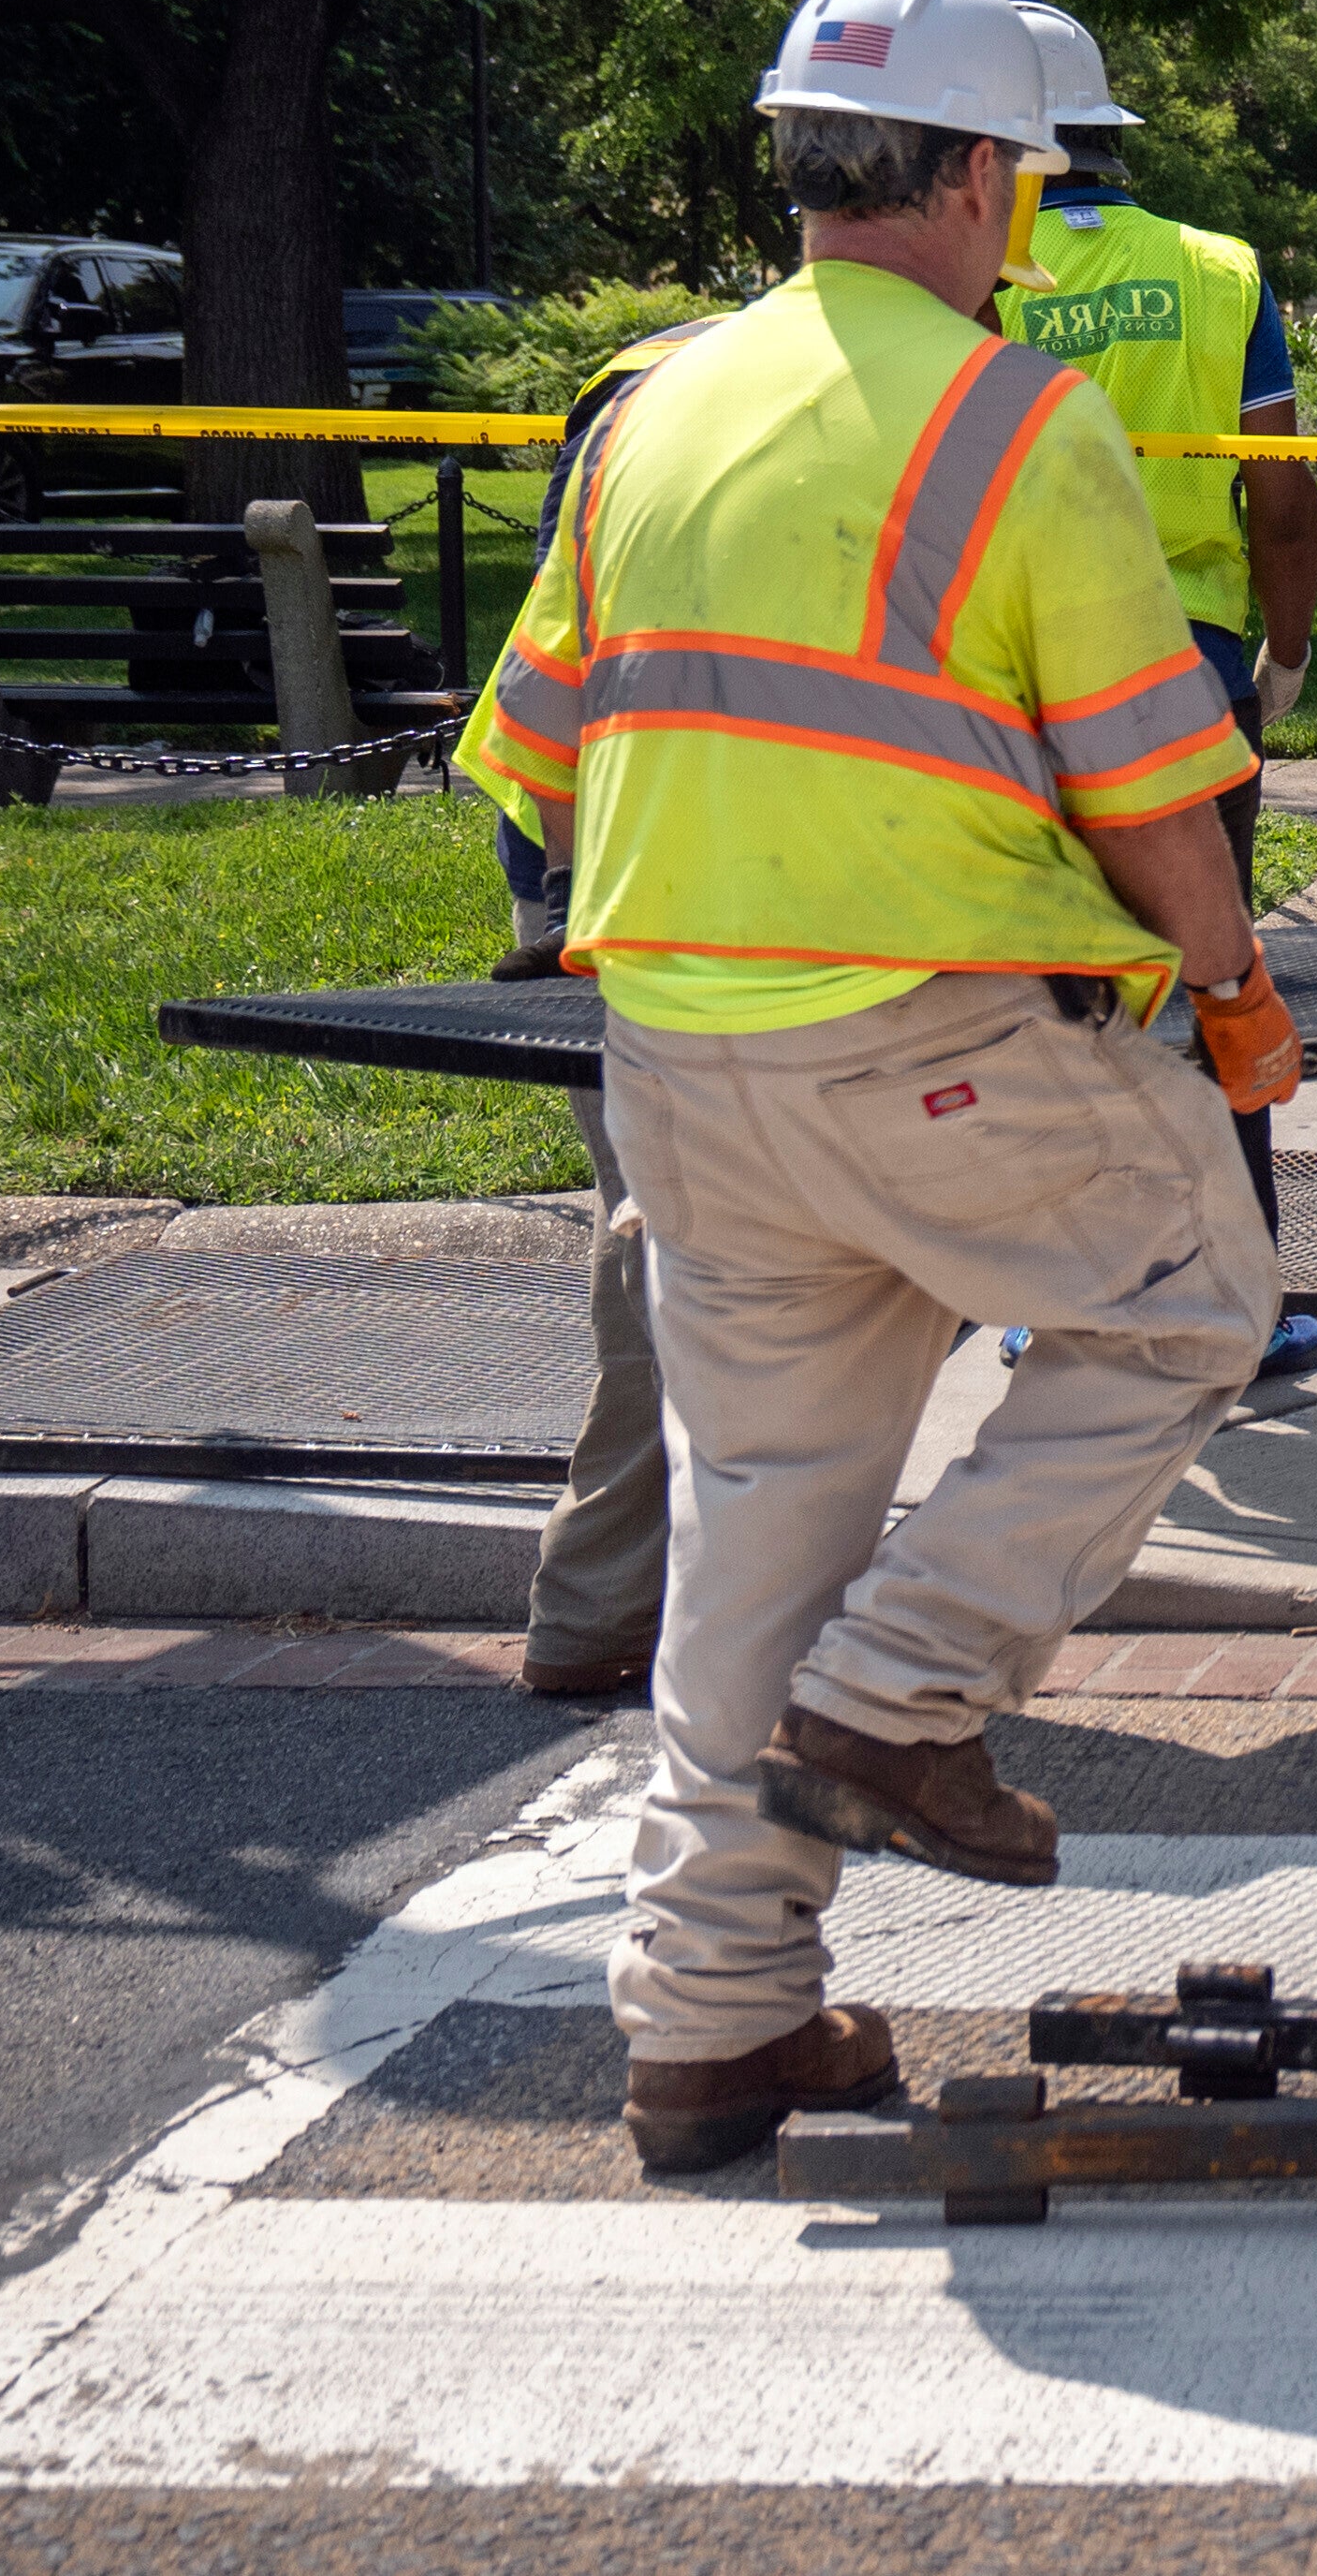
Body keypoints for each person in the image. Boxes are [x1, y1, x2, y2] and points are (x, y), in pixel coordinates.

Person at [460, 0, 1300, 2176]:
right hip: (929, 1030)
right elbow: (1149, 786)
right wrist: (1229, 987)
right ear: (980, 179)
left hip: (679, 1054)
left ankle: (711, 2022)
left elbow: (532, 746)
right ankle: (907, 1685)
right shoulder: (1015, 417)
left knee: (760, 1529)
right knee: (1190, 1297)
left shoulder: (649, 406)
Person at [1002, 0, 1317, 1379]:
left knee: (1051, 994)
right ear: (1108, 134)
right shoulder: (1218, 270)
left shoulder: (975, 272)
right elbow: (1281, 495)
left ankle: (1065, 1296)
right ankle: (1243, 1298)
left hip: (1015, 675)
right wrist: (1286, 650)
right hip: (1188, 669)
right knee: (1214, 975)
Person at [474, 318, 710, 1704]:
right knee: (686, 1262)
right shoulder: (811, 408)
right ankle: (641, 1614)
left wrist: (565, 898)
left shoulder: (634, 403)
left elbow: (542, 687)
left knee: (662, 1257)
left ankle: (611, 1605)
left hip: (614, 897)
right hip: (673, 917)